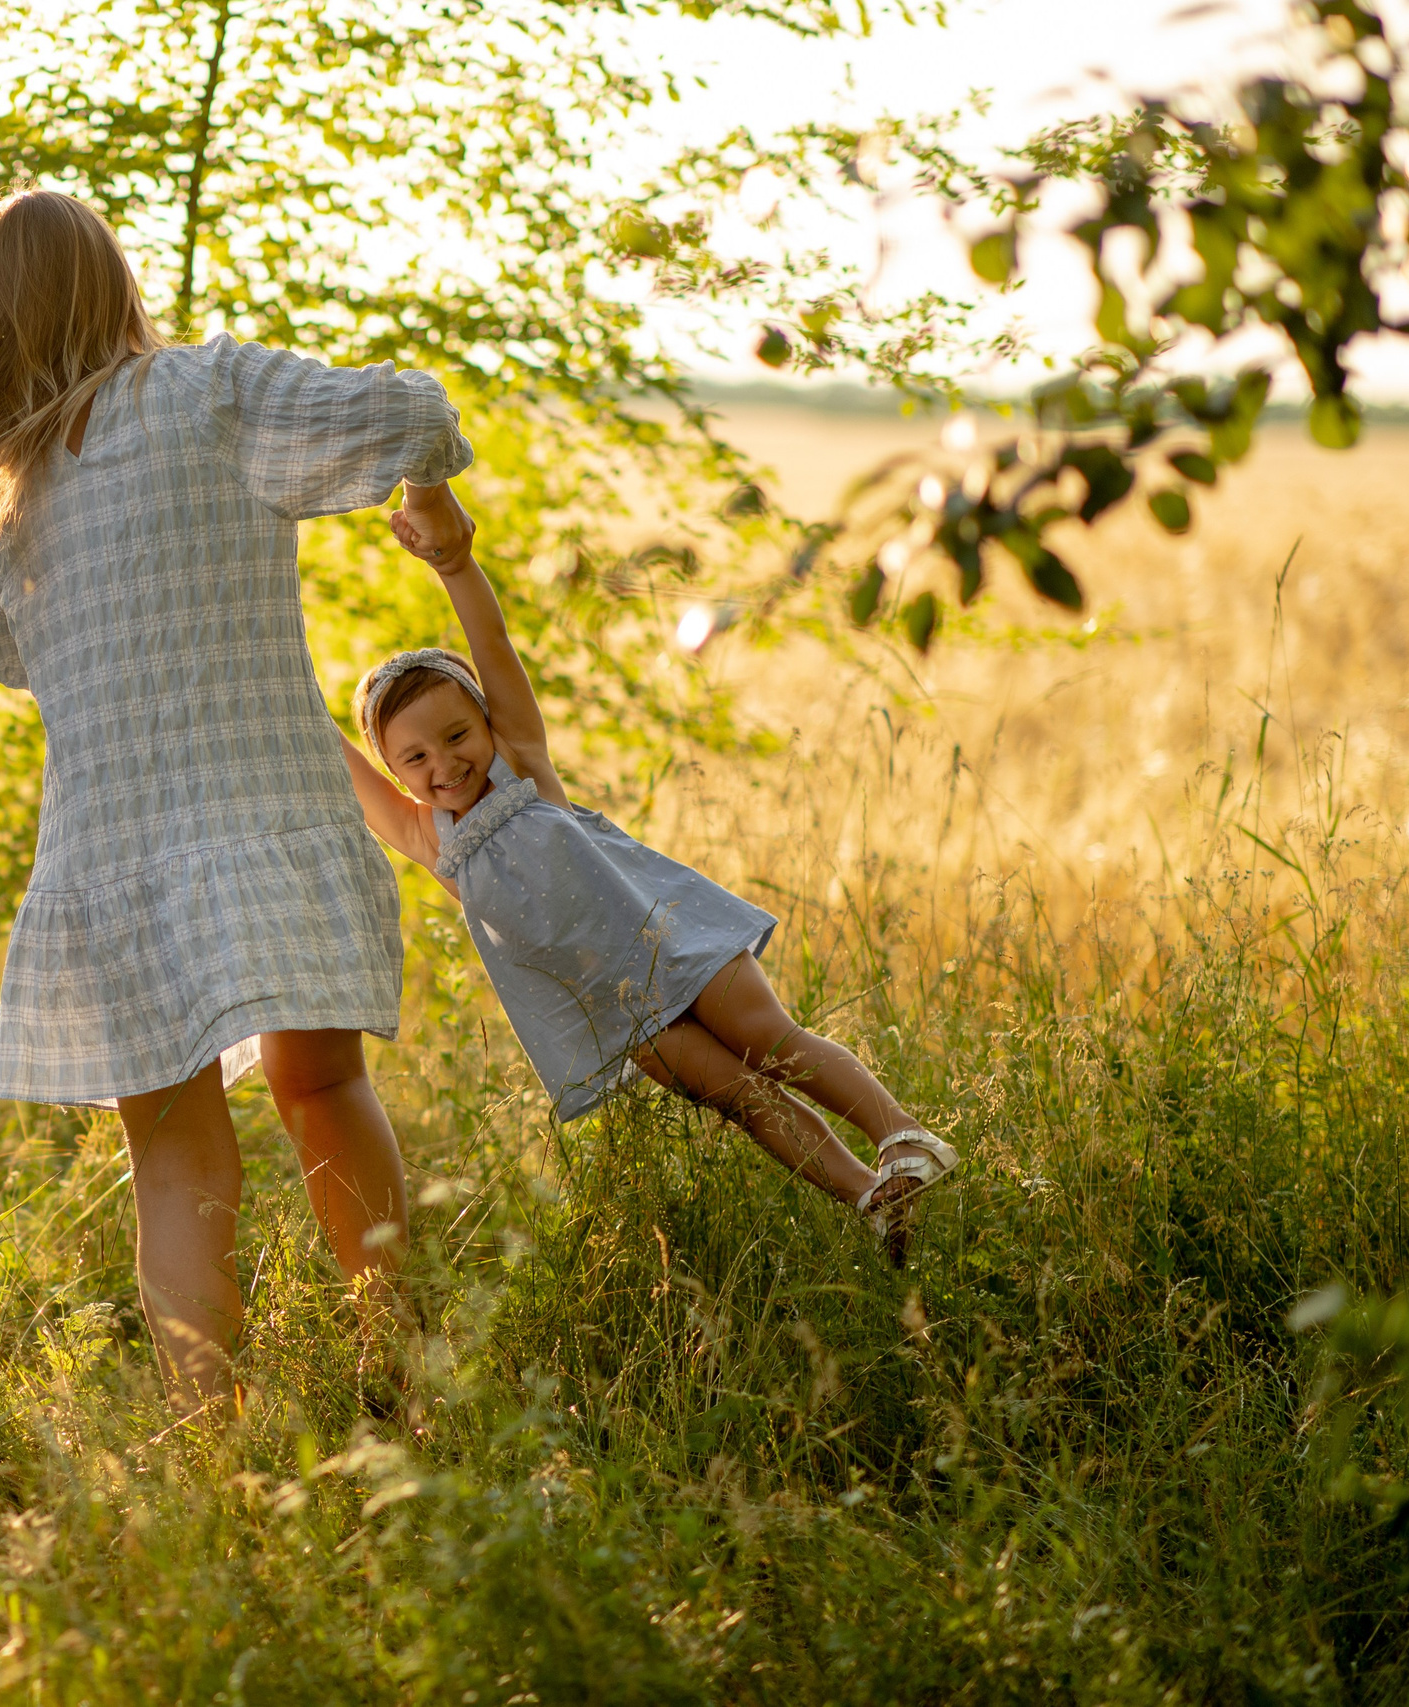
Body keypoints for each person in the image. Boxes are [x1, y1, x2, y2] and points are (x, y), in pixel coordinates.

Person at [0, 188, 475, 1409]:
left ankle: (212, 1437)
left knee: (170, 1160)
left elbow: (11, 660)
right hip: (269, 823)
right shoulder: (212, 394)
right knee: (324, 1089)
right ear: (114, 285)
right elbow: (414, 409)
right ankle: (395, 1368)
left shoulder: (8, 495)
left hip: (113, 862)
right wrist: (428, 510)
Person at [342, 485, 959, 1262]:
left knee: (770, 1041)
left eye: (458, 734)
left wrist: (455, 563)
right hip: (620, 1008)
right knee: (740, 1098)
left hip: (670, 937)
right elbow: (332, 757)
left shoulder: (519, 767)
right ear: (395, 772)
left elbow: (490, 639)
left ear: (488, 724)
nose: (445, 762)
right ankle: (868, 1194)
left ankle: (902, 1135)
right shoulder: (430, 839)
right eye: (416, 758)